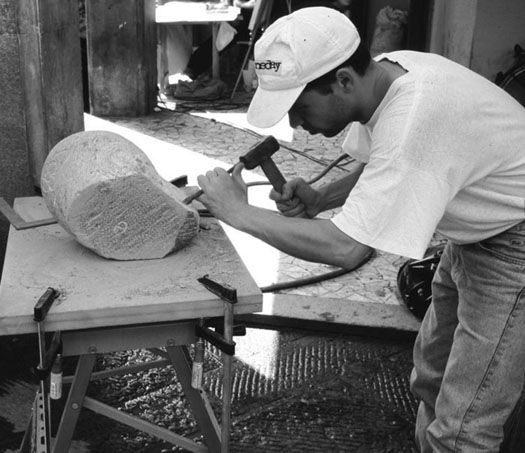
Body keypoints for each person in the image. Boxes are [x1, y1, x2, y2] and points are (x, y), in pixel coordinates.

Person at [196, 7, 525, 452]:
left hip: (515, 243)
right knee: (432, 373)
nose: (294, 124)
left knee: (464, 424)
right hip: (477, 235)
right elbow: (386, 164)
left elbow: (348, 249)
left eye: (297, 107)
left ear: (344, 81)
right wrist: (322, 197)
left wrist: (239, 213)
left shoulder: (418, 114)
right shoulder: (390, 73)